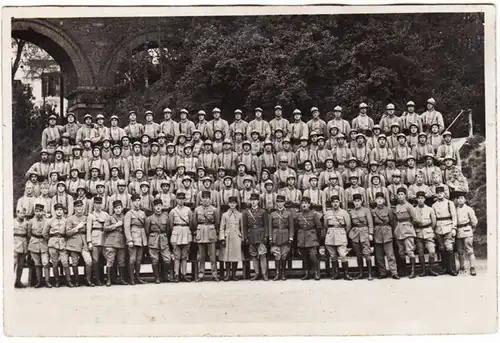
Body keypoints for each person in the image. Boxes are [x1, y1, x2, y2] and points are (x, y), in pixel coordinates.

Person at [193, 191, 220, 282]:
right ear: (201, 199)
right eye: (204, 198)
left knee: (212, 256)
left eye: (207, 198)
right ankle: (201, 274)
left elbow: (217, 222)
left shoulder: (214, 209)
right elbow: (194, 222)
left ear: (210, 199)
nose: (205, 200)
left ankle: (214, 273)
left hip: (210, 231)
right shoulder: (197, 210)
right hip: (201, 232)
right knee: (201, 256)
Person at [65, 199, 94, 287]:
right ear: (74, 208)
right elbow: (67, 233)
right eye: (77, 207)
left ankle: (87, 279)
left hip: (84, 242)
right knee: (74, 262)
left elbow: (90, 230)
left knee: (88, 261)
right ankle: (76, 280)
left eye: (81, 206)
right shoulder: (70, 219)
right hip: (73, 242)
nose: (79, 208)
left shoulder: (86, 218)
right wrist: (77, 227)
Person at [323, 195, 352, 280]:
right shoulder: (327, 213)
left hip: (341, 235)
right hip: (330, 236)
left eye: (337, 202)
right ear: (331, 203)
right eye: (333, 202)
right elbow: (325, 225)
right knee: (333, 256)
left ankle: (346, 274)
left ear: (339, 203)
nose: (335, 204)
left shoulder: (344, 213)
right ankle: (336, 273)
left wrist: (342, 232)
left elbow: (348, 225)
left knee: (343, 255)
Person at [371, 192, 399, 279]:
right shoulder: (373, 211)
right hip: (377, 233)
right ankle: (382, 272)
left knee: (390, 254)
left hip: (387, 233)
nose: (379, 200)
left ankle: (394, 272)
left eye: (381, 199)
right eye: (377, 199)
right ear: (375, 200)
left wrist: (393, 234)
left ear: (383, 200)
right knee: (379, 256)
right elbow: (372, 223)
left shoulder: (388, 210)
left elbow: (392, 222)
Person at [43, 203, 71, 288]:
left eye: (61, 210)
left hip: (63, 243)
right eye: (57, 210)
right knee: (54, 263)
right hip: (52, 243)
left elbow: (68, 232)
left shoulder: (66, 221)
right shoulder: (50, 221)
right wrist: (52, 240)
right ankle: (57, 281)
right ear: (55, 211)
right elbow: (44, 233)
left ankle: (68, 280)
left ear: (63, 211)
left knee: (65, 262)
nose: (59, 212)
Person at [242, 193, 270, 281]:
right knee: (253, 255)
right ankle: (256, 273)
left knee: (262, 254)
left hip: (260, 235)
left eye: (255, 200)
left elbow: (266, 225)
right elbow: (245, 226)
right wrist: (246, 237)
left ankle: (264, 274)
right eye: (252, 200)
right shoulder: (246, 212)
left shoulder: (263, 212)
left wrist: (266, 236)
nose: (253, 202)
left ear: (258, 201)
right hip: (251, 236)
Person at [432, 186, 458, 276]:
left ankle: (451, 269)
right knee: (442, 248)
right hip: (438, 228)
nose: (440, 194)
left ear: (444, 193)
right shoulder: (434, 205)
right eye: (438, 193)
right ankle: (445, 268)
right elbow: (434, 219)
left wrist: (454, 228)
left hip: (448, 227)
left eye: (441, 193)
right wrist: (434, 230)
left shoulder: (449, 203)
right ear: (436, 194)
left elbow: (454, 216)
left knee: (449, 248)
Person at [295, 196, 322, 281]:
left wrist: (313, 235)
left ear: (309, 205)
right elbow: (296, 226)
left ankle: (316, 273)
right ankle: (306, 273)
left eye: (306, 203)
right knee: (304, 257)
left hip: (311, 238)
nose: (304, 205)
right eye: (302, 203)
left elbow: (319, 226)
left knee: (313, 256)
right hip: (301, 237)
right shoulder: (298, 215)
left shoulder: (314, 214)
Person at [168, 192, 193, 282]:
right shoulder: (173, 211)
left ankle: (184, 274)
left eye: (182, 199)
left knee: (185, 256)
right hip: (176, 231)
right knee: (177, 256)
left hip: (186, 231)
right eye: (179, 199)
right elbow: (170, 225)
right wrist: (176, 231)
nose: (181, 201)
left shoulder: (188, 210)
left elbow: (191, 223)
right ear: (176, 200)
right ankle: (176, 274)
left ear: (185, 200)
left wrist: (186, 230)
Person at [393, 187, 418, 278]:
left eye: (402, 194)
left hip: (408, 231)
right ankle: (404, 270)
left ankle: (413, 271)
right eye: (398, 194)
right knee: (401, 252)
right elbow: (396, 219)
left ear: (405, 195)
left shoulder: (409, 206)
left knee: (410, 251)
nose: (400, 196)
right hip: (399, 231)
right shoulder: (397, 206)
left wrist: (409, 226)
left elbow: (415, 219)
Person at [103, 200, 129, 286]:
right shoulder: (110, 217)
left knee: (121, 261)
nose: (118, 210)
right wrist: (116, 225)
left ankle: (122, 279)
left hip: (121, 241)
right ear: (113, 209)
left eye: (119, 208)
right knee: (110, 260)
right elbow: (105, 228)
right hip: (111, 241)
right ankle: (109, 280)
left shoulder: (125, 217)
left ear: (122, 208)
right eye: (116, 208)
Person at [145, 199, 171, 284]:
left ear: (162, 206)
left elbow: (168, 230)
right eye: (156, 206)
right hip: (153, 240)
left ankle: (164, 276)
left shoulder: (166, 217)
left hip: (163, 239)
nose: (158, 207)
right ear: (153, 207)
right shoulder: (149, 218)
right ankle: (157, 277)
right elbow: (147, 231)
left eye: (160, 205)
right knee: (154, 260)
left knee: (167, 259)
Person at [349, 193, 374, 280]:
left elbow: (370, 222)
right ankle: (361, 273)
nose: (356, 203)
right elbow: (350, 224)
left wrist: (370, 233)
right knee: (358, 254)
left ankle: (370, 274)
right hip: (355, 234)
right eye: (355, 201)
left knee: (367, 253)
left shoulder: (366, 210)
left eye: (358, 201)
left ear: (361, 201)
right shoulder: (351, 212)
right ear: (353, 202)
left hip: (364, 233)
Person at [268, 195, 294, 281]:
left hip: (285, 237)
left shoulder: (288, 214)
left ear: (284, 203)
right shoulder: (272, 214)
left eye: (281, 202)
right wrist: (270, 238)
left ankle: (283, 274)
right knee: (277, 256)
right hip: (276, 236)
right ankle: (277, 273)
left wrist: (290, 238)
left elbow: (291, 227)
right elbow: (270, 227)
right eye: (278, 202)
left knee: (284, 256)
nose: (280, 204)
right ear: (276, 203)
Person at [414, 191, 439, 277]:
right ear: (416, 199)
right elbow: (413, 222)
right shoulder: (414, 210)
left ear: (424, 199)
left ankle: (431, 269)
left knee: (432, 251)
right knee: (420, 252)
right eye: (419, 198)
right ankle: (423, 270)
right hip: (418, 233)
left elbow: (434, 221)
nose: (420, 200)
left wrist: (430, 229)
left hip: (428, 231)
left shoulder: (430, 209)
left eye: (422, 198)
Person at [124, 194, 148, 285]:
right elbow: (126, 228)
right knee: (132, 259)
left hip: (141, 237)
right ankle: (131, 278)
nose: (137, 203)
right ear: (131, 202)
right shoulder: (129, 213)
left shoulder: (142, 213)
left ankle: (137, 277)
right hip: (133, 237)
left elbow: (145, 226)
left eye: (138, 200)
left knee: (139, 259)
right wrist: (129, 240)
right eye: (135, 201)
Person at [219, 196, 244, 281]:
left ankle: (234, 274)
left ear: (236, 204)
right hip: (227, 236)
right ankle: (227, 274)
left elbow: (242, 228)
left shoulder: (240, 215)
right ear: (228, 204)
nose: (232, 205)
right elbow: (222, 227)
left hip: (236, 236)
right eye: (231, 203)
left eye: (234, 203)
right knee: (227, 256)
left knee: (235, 256)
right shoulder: (225, 215)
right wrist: (222, 238)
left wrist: (243, 238)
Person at [86, 196, 109, 286]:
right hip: (95, 238)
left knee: (106, 259)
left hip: (104, 238)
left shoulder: (106, 214)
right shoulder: (91, 215)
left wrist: (102, 221)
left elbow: (108, 225)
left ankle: (105, 278)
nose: (98, 206)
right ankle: (97, 279)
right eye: (96, 204)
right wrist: (89, 242)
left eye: (100, 204)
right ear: (94, 204)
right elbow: (88, 229)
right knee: (95, 260)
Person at [455, 191, 478, 276]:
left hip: (467, 231)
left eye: (461, 198)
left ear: (464, 199)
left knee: (469, 250)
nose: (460, 200)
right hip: (458, 232)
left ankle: (472, 267)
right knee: (460, 251)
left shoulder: (469, 209)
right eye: (458, 198)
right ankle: (462, 267)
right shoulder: (455, 209)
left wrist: (470, 230)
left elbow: (474, 222)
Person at [27, 204, 49, 288]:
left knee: (45, 262)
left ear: (43, 212)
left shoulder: (47, 221)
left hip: (44, 243)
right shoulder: (31, 221)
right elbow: (28, 234)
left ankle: (47, 281)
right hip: (34, 243)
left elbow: (47, 233)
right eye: (37, 211)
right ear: (34, 212)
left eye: (40, 211)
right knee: (37, 263)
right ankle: (39, 281)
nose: (38, 213)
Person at [13, 209, 28, 288]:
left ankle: (18, 281)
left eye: (24, 213)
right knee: (13, 263)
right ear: (17, 213)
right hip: (15, 243)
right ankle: (9, 281)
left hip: (24, 244)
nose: (22, 214)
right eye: (21, 213)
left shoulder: (26, 223)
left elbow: (28, 234)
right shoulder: (12, 222)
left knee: (21, 264)